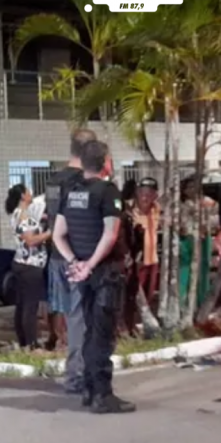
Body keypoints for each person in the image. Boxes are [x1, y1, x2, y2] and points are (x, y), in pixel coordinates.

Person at [53, 140, 135, 414]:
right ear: (106, 162)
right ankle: (102, 395)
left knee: (90, 332)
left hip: (84, 275)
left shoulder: (71, 191)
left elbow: (58, 235)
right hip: (104, 274)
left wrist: (75, 262)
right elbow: (110, 235)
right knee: (102, 335)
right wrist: (89, 265)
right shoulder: (107, 191)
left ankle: (89, 391)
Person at [44, 128, 97, 392]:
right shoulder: (82, 181)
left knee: (70, 316)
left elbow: (51, 217)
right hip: (77, 257)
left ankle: (77, 373)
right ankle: (76, 376)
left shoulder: (53, 180)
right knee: (79, 319)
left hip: (57, 255)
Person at [6, 184, 50, 349]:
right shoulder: (23, 216)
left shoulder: (18, 213)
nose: (31, 194)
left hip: (22, 263)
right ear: (23, 196)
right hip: (30, 264)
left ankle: (24, 340)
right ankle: (31, 342)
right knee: (30, 306)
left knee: (22, 304)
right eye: (28, 191)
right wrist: (49, 233)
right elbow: (30, 240)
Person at [124, 177, 161, 333]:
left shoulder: (156, 209)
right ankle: (129, 326)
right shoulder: (130, 211)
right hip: (137, 261)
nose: (146, 197)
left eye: (150, 194)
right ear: (137, 193)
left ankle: (144, 325)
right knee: (133, 296)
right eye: (143, 193)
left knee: (149, 295)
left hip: (152, 259)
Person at [179, 176, 219, 309]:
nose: (192, 190)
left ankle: (202, 301)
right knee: (186, 271)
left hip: (204, 238)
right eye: (188, 187)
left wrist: (207, 224)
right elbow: (181, 225)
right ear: (184, 191)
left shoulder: (207, 202)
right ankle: (183, 304)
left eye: (194, 187)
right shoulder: (182, 205)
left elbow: (216, 216)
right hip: (188, 240)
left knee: (204, 269)